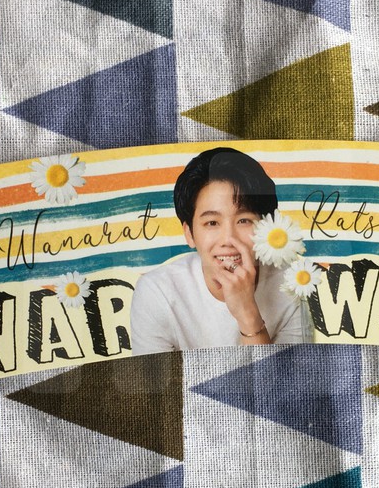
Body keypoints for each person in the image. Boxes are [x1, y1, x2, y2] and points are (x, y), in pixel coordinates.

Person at [130, 147, 309, 354]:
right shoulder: (157, 293)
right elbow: (154, 377)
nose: (228, 240)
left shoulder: (292, 285)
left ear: (267, 227)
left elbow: (284, 375)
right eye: (212, 223)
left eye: (244, 220)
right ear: (189, 234)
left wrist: (247, 314)